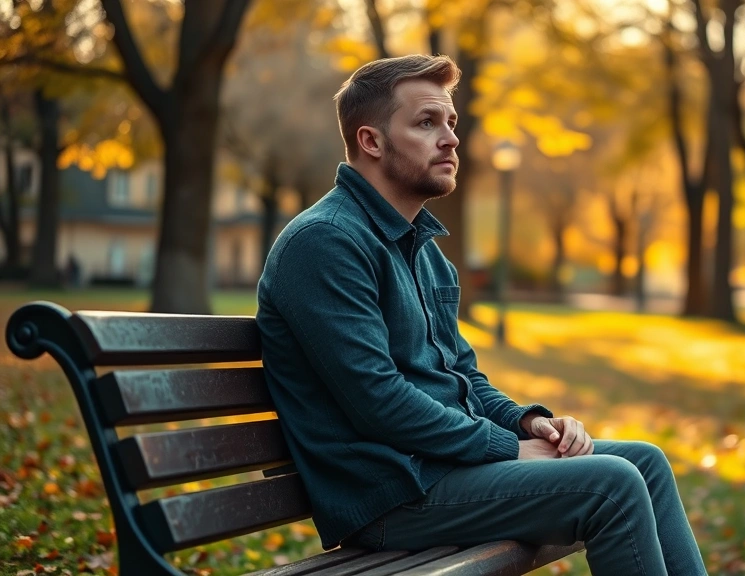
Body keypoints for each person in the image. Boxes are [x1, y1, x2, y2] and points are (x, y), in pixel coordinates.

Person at [255, 54, 707, 576]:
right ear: (371, 141)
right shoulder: (326, 243)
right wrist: (509, 449)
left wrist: (530, 423)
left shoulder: (424, 251)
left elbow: (463, 377)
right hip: (391, 497)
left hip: (441, 472)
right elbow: (377, 401)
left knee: (644, 462)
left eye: (450, 123)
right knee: (611, 484)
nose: (450, 138)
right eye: (426, 123)